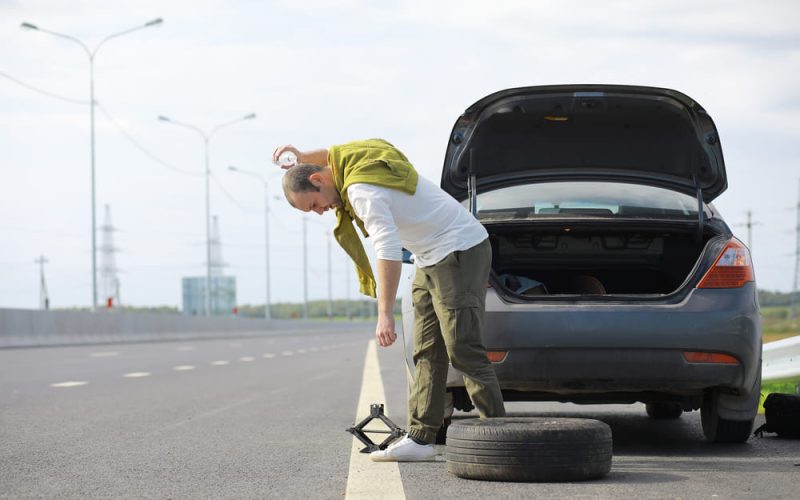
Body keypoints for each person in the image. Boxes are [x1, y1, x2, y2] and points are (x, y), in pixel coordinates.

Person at [274, 138, 505, 462]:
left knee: (463, 347)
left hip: (459, 248)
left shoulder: (361, 191)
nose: (321, 211)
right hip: (429, 256)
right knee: (425, 350)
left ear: (318, 180)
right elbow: (330, 154)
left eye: (313, 205)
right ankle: (422, 439)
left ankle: (499, 436)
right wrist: (301, 156)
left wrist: (384, 314)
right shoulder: (348, 163)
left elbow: (387, 250)